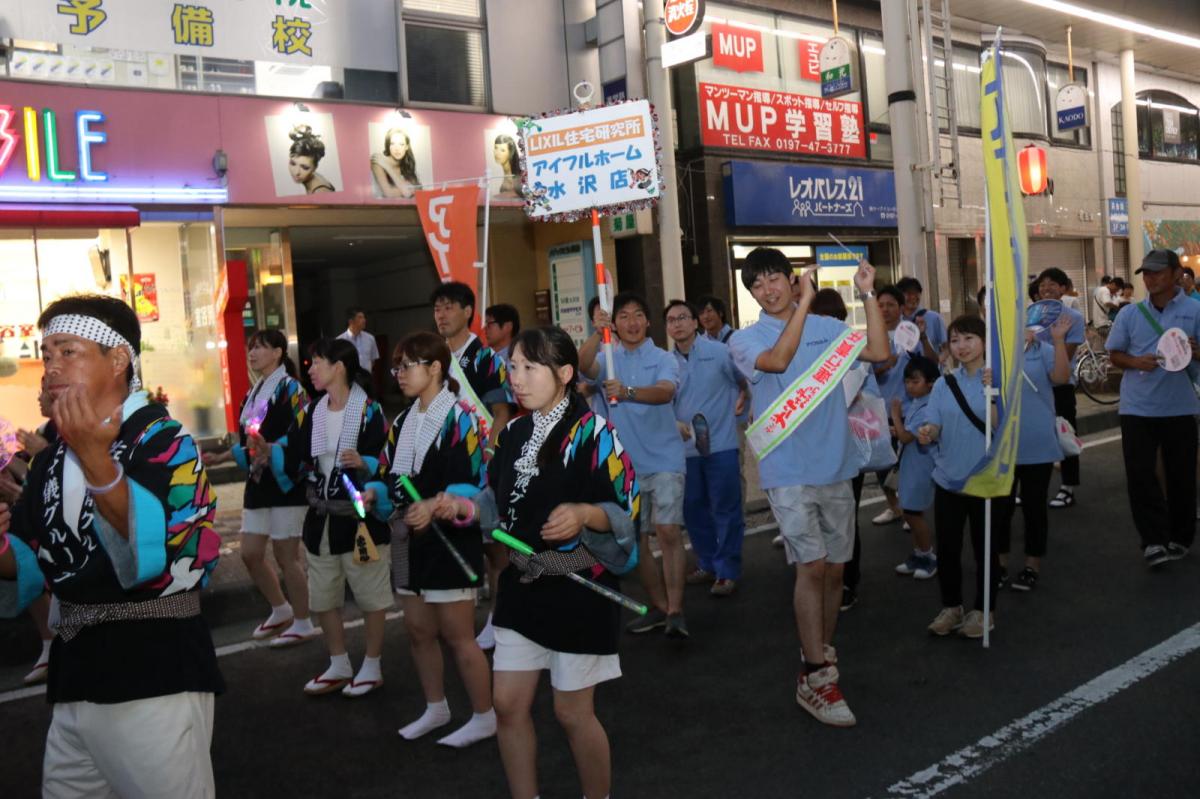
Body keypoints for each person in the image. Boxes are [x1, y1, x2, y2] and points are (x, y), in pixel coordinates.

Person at [0, 294, 223, 797]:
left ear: (119, 359)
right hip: (75, 676)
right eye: (46, 352)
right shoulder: (55, 453)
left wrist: (96, 460)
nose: (51, 366)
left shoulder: (166, 440)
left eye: (67, 350)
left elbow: (168, 562)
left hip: (154, 672)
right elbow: (38, 563)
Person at [431, 326, 638, 799]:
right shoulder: (513, 433)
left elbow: (628, 510)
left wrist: (587, 514)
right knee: (506, 705)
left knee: (572, 713)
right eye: (513, 367)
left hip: (579, 589)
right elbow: (493, 500)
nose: (516, 379)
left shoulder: (597, 433)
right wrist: (464, 508)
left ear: (565, 373)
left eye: (530, 367)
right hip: (523, 586)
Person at [728, 248, 889, 727]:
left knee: (837, 572)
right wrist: (805, 304)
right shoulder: (744, 339)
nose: (768, 289)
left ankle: (816, 656)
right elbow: (776, 362)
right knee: (811, 565)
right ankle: (818, 673)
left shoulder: (826, 329)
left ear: (789, 278)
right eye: (757, 285)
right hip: (788, 470)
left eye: (775, 278)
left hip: (836, 464)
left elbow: (879, 353)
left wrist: (867, 294)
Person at [366, 332, 495, 747]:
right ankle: (435, 707)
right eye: (397, 367)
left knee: (459, 635)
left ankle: (484, 714)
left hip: (450, 540)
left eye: (407, 365)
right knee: (419, 630)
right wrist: (377, 494)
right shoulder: (402, 421)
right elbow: (390, 475)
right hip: (408, 537)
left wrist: (440, 502)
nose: (399, 374)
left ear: (435, 367)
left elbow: (474, 481)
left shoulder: (463, 418)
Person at [263, 338, 392, 696]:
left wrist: (364, 463)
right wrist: (267, 452)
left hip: (359, 517)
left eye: (317, 362)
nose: (311, 368)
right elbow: (295, 454)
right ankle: (338, 662)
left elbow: (387, 462)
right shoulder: (312, 411)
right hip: (321, 517)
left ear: (339, 367)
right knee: (324, 597)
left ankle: (372, 664)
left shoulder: (370, 411)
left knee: (370, 595)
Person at [580, 292, 688, 638]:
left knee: (669, 531)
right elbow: (582, 365)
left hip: (666, 458)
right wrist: (598, 332)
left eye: (638, 314)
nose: (631, 322)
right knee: (636, 538)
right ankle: (658, 606)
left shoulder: (662, 357)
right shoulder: (606, 356)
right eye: (623, 316)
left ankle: (676, 609)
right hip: (624, 465)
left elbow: (665, 392)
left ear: (648, 321)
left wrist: (626, 392)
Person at [202, 330, 315, 646]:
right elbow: (247, 443)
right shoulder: (252, 393)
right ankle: (281, 609)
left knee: (286, 555)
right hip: (258, 483)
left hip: (285, 483)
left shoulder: (293, 389)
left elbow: (303, 436)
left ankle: (303, 621)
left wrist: (272, 449)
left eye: (261, 347)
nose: (252, 353)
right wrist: (222, 455)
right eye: (251, 347)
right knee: (250, 553)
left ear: (279, 352)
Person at [431, 281, 515, 649]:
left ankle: (502, 619)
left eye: (449, 307)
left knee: (496, 547)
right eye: (437, 308)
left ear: (469, 312)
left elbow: (500, 412)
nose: (442, 314)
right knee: (470, 546)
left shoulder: (486, 360)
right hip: (448, 467)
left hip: (482, 466)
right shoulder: (434, 358)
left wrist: (492, 458)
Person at [1106, 249, 1200, 568]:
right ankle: (1153, 541)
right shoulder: (1130, 314)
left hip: (1180, 408)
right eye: (1146, 273)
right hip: (1137, 409)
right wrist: (1135, 361)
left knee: (1182, 476)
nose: (1150, 278)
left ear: (1176, 274)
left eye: (1158, 272)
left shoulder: (1194, 310)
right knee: (1140, 475)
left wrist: (1196, 352)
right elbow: (1114, 354)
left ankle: (1180, 537)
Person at [917, 315, 1004, 639]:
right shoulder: (943, 383)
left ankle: (984, 611)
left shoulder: (996, 380)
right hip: (949, 479)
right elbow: (934, 423)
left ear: (984, 342)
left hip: (986, 480)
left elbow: (1002, 427)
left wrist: (993, 392)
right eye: (955, 340)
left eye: (969, 338)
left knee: (986, 550)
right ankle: (952, 607)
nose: (962, 346)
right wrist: (928, 431)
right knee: (949, 549)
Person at [665, 299, 748, 597]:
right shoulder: (667, 362)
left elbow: (745, 380)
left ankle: (727, 570)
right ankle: (707, 562)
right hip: (684, 450)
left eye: (683, 317)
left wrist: (744, 402)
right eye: (672, 320)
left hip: (722, 445)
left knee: (726, 507)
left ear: (695, 322)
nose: (678, 324)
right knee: (693, 509)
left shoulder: (721, 352)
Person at [995, 316, 1073, 591]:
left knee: (1034, 507)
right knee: (1000, 509)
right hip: (1003, 445)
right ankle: (1000, 563)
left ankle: (1032, 564)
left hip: (1038, 443)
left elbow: (1062, 378)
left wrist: (1059, 339)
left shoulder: (1045, 351)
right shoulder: (995, 350)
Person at [871, 285, 939, 526]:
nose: (884, 309)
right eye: (880, 305)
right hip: (880, 412)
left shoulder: (910, 333)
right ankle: (895, 508)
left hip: (909, 412)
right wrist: (884, 366)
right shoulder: (872, 335)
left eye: (890, 304)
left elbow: (933, 364)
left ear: (901, 308)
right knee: (882, 465)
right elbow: (866, 374)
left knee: (908, 464)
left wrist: (922, 338)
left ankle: (911, 510)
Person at [1034, 269, 1087, 509]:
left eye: (1053, 284)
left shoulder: (1073, 317)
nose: (1046, 288)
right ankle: (1034, 488)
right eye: (1043, 285)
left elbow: (1066, 355)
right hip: (1035, 386)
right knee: (1037, 434)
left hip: (1061, 385)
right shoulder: (1032, 315)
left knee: (1066, 435)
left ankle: (1068, 487)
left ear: (1063, 288)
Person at [889, 356, 941, 581]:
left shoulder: (927, 406)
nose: (910, 386)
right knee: (912, 510)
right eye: (907, 381)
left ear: (930, 382)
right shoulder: (919, 402)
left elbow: (906, 436)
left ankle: (928, 556)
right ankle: (919, 553)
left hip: (920, 465)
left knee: (911, 512)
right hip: (913, 463)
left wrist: (895, 417)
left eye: (915, 381)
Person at [896, 276, 948, 358]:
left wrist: (940, 360)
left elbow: (946, 346)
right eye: (909, 293)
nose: (913, 297)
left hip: (929, 368)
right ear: (899, 296)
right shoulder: (896, 321)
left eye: (916, 293)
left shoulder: (934, 318)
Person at [371, 127, 420, 199]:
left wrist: (387, 167)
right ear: (388, 146)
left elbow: (418, 192)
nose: (397, 148)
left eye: (401, 144)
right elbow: (389, 194)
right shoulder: (378, 160)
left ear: (406, 147)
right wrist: (409, 190)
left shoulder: (406, 167)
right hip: (378, 208)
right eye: (392, 144)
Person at [288, 124, 336, 194]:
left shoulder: (320, 192)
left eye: (304, 167)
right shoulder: (311, 178)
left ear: (315, 167)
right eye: (293, 163)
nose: (296, 172)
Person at [337, 307, 380, 374]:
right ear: (351, 321)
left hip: (366, 380)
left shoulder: (370, 338)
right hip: (348, 381)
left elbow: (372, 361)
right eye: (360, 317)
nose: (364, 320)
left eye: (364, 317)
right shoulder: (340, 341)